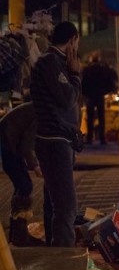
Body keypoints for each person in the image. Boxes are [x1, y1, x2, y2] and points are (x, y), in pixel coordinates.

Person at [30, 21, 82, 247]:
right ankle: (64, 258)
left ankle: (53, 252)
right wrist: (76, 75)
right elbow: (68, 98)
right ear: (72, 40)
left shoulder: (55, 62)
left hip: (59, 140)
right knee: (66, 207)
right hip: (54, 141)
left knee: (54, 202)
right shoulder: (51, 62)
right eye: (77, 42)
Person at [0, 102, 44, 246]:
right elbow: (27, 144)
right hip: (7, 140)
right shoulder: (41, 113)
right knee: (25, 186)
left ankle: (16, 232)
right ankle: (18, 233)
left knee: (22, 185)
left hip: (10, 140)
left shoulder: (39, 108)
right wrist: (35, 166)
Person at [81, 54, 117, 145]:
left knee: (90, 118)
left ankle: (89, 138)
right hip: (100, 95)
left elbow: (83, 82)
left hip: (90, 95)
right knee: (101, 117)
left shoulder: (87, 70)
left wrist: (84, 93)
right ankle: (102, 138)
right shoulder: (103, 70)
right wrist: (106, 91)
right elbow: (110, 80)